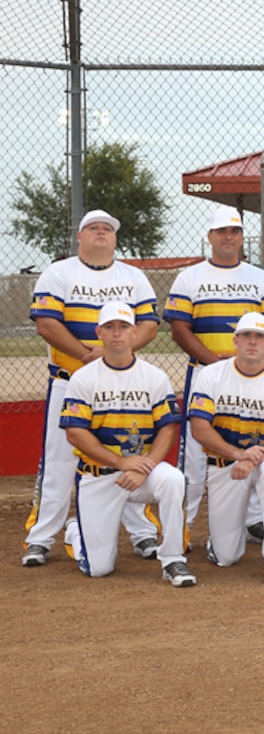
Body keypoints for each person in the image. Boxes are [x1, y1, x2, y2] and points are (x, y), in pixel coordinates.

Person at [23, 209, 161, 567]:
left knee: (127, 454)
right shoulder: (59, 272)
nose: (101, 233)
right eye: (93, 228)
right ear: (80, 238)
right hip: (69, 383)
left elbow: (148, 325)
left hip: (123, 387)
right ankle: (41, 538)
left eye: (108, 229)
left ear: (115, 239)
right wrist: (88, 355)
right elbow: (46, 324)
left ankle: (143, 533)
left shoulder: (133, 276)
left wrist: (109, 354)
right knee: (58, 463)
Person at [163, 205, 264, 536]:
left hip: (251, 374)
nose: (229, 237)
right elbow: (179, 329)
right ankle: (182, 525)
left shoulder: (260, 277)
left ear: (242, 237)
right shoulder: (189, 277)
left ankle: (253, 518)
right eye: (222, 232)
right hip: (205, 372)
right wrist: (216, 364)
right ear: (210, 237)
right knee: (196, 454)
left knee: (252, 437)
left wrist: (243, 363)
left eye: (235, 231)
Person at [60, 301, 194, 587]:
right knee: (98, 569)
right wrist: (121, 463)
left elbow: (168, 428)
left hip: (140, 471)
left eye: (123, 327)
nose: (116, 333)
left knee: (172, 479)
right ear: (99, 332)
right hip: (100, 476)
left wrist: (144, 467)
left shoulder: (154, 377)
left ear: (134, 332)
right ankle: (76, 530)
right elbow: (75, 433)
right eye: (109, 327)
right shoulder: (83, 378)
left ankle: (173, 559)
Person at [187, 312, 264, 585]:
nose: (253, 341)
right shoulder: (211, 376)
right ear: (235, 341)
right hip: (226, 464)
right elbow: (200, 428)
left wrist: (254, 457)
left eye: (260, 336)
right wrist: (238, 454)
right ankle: (225, 540)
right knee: (226, 557)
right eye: (247, 336)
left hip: (261, 462)